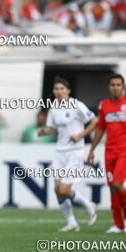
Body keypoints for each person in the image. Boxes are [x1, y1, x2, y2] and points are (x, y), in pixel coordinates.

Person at [87, 74, 126, 234]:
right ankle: (118, 225)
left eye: (118, 85)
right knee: (112, 188)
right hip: (110, 152)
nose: (115, 87)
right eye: (112, 85)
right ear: (109, 87)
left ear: (123, 87)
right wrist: (92, 149)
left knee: (117, 184)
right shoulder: (104, 106)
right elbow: (100, 129)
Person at [38, 77, 98, 232]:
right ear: (53, 91)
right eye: (56, 89)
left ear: (68, 91)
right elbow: (52, 128)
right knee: (57, 189)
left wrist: (80, 135)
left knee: (64, 189)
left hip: (75, 151)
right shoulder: (53, 107)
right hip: (60, 151)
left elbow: (94, 121)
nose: (58, 92)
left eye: (61, 89)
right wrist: (44, 131)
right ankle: (72, 223)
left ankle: (88, 204)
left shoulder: (77, 105)